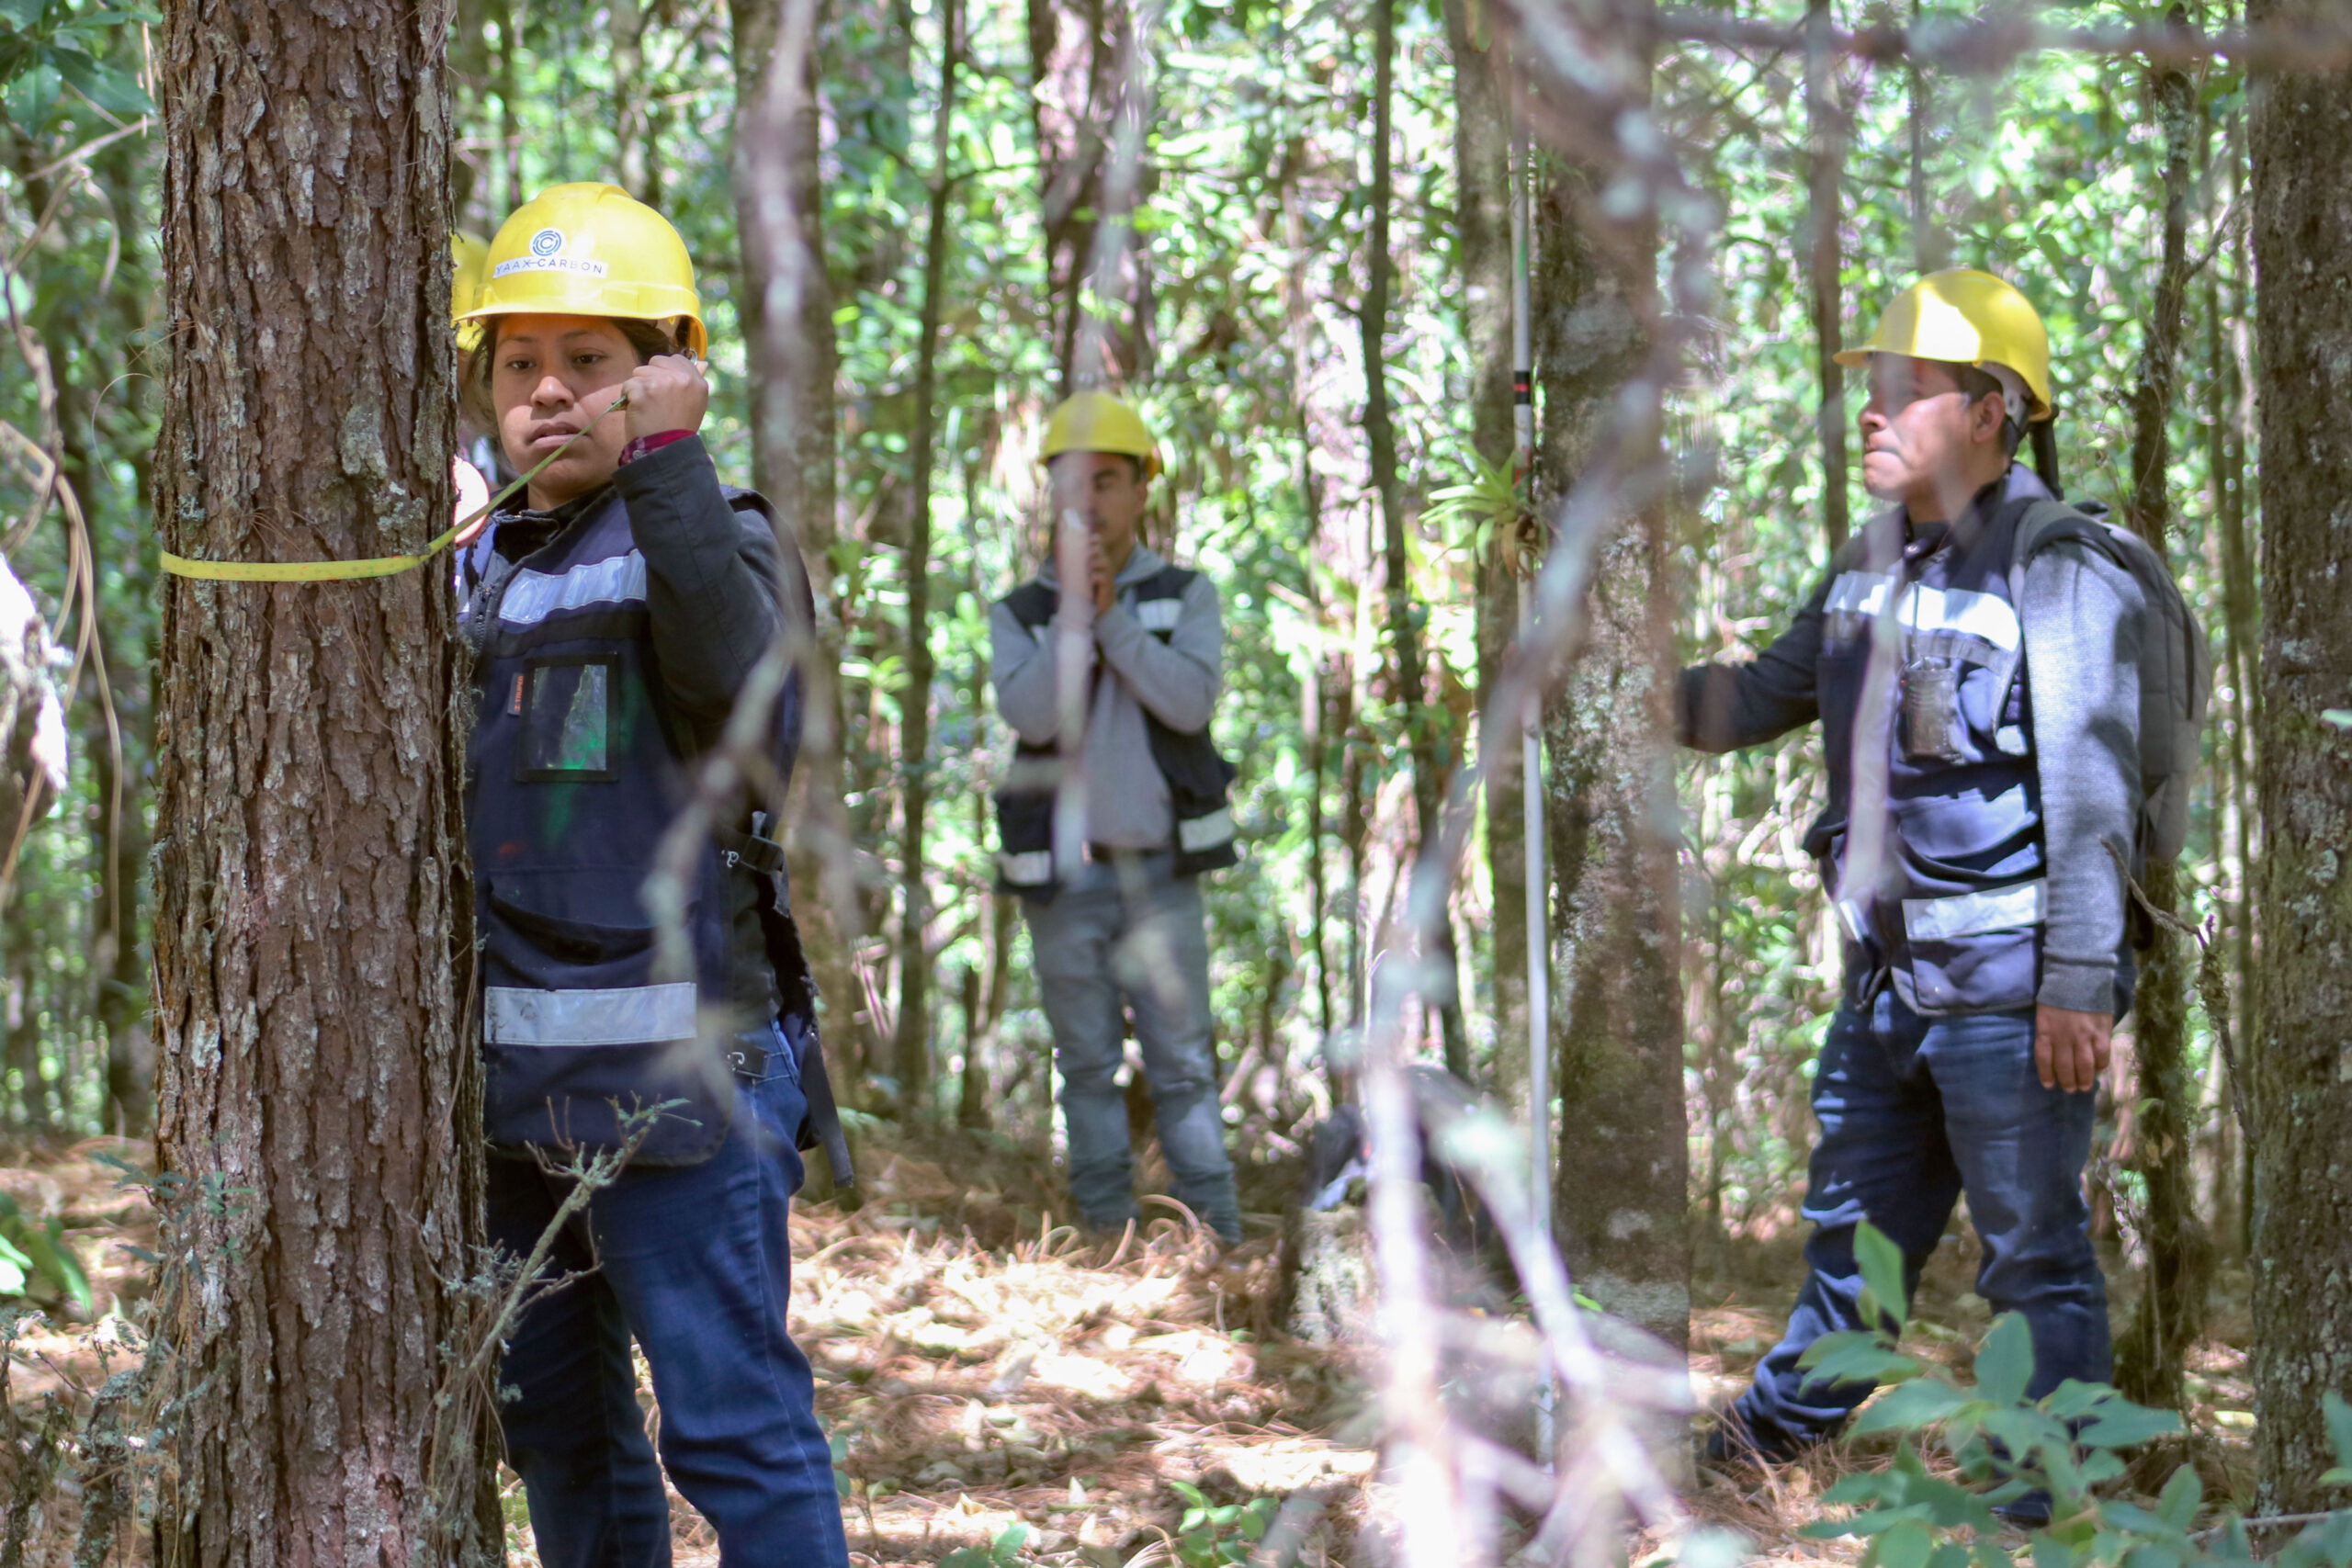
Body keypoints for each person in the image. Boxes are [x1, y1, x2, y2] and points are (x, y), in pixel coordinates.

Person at [1681, 270, 2145, 1509]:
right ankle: (1755, 1461)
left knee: (2035, 1262)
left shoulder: (2060, 570)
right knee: (1851, 1256)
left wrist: (2078, 985)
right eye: (1869, 391)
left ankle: (2045, 1509)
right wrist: (1602, 675)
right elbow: (1753, 698)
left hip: (2013, 995)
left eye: (1907, 390)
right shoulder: (1863, 564)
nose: (1873, 414)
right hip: (1886, 989)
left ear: (1994, 409)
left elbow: (2096, 800)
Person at [457, 181, 850, 1568]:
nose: (549, 394)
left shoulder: (716, 535)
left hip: (685, 1101)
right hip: (514, 1117)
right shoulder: (476, 564)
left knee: (734, 1434)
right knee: (559, 1432)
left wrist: (671, 464)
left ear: (663, 372)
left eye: (590, 363)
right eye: (519, 364)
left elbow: (753, 716)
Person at [989, 391, 1245, 1246]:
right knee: (1086, 1067)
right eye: (1071, 483)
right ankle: (1107, 1238)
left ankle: (1216, 1238)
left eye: (1107, 481)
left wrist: (1110, 621)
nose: (1088, 501)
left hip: (1161, 874)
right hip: (1063, 879)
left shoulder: (1183, 594)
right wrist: (1069, 616)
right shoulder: (1021, 610)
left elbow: (1190, 700)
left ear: (1142, 491)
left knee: (1183, 1066)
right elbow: (1031, 715)